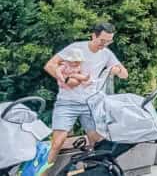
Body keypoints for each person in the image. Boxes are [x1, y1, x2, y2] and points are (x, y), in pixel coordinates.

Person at [44, 23, 129, 166]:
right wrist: (66, 79)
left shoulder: (107, 53)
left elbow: (125, 74)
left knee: (97, 141)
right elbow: (50, 65)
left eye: (109, 41)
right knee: (57, 142)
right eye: (102, 40)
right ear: (93, 35)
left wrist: (116, 70)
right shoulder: (76, 48)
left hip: (91, 103)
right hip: (67, 102)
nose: (105, 44)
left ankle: (95, 171)